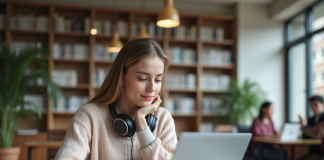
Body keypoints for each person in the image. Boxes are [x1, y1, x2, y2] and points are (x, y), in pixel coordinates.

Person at [54, 38, 177, 160]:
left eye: (158, 79)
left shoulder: (163, 119)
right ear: (122, 77)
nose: (152, 88)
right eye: (142, 78)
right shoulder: (90, 116)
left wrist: (143, 129)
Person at [299, 95, 324, 160]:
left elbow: (318, 134)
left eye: (316, 105)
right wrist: (303, 127)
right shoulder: (310, 119)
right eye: (311, 105)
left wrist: (306, 128)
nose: (313, 107)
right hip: (312, 151)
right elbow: (305, 136)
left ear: (323, 105)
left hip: (321, 152)